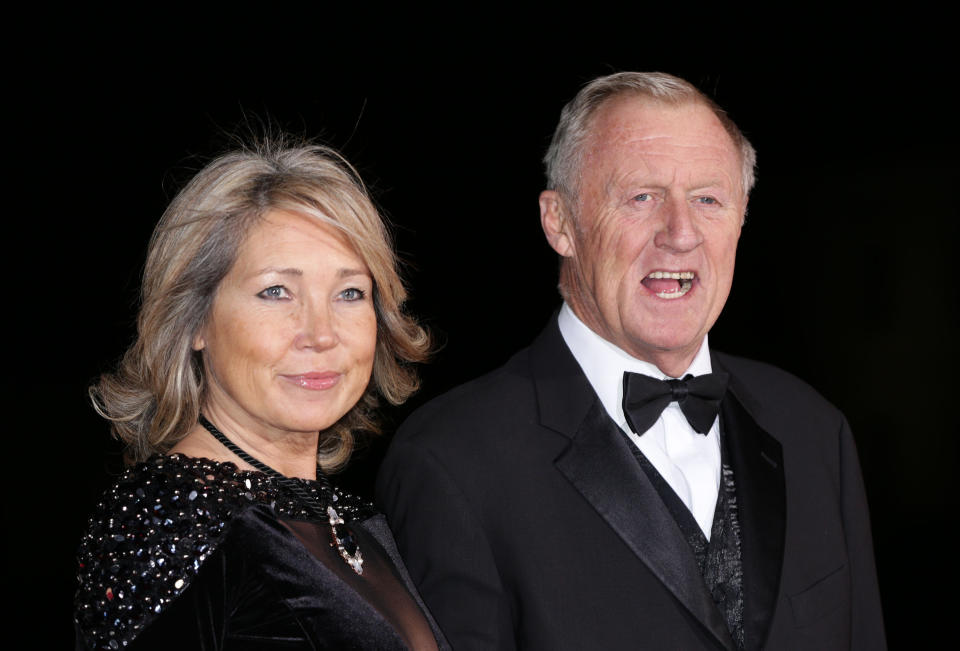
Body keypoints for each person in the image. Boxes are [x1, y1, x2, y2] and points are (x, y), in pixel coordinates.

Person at [377, 72, 886, 650]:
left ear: (741, 219)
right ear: (561, 223)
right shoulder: (451, 462)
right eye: (641, 197)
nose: (680, 233)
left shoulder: (815, 431)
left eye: (708, 199)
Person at [75, 141, 448, 650]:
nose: (320, 333)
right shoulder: (174, 522)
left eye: (350, 293)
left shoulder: (347, 520)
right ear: (195, 319)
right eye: (276, 292)